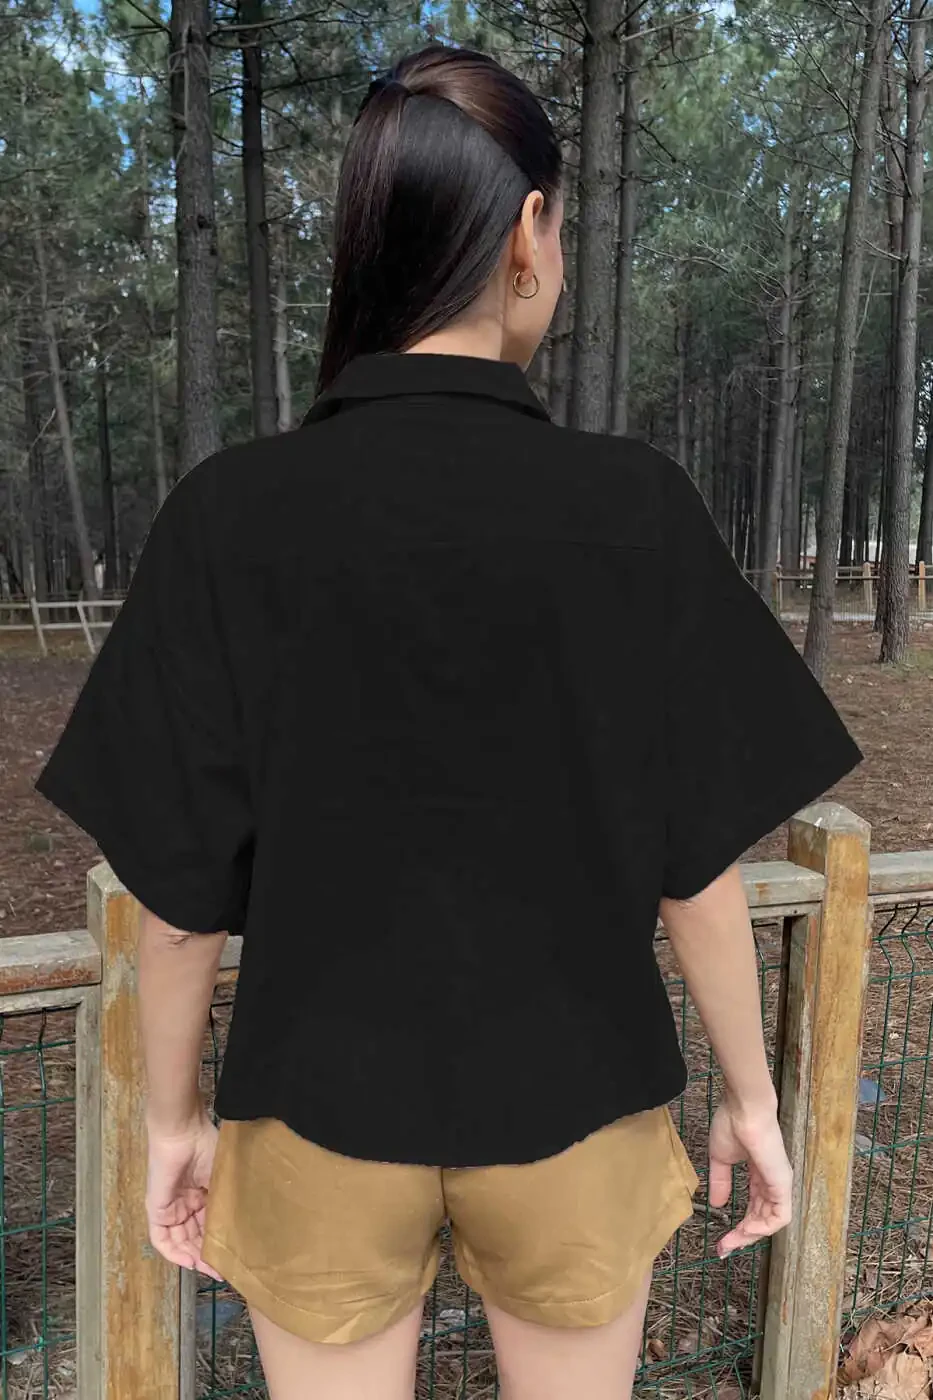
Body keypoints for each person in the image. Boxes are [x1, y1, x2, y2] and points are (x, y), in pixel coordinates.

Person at [35, 42, 862, 1400]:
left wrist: (172, 1119)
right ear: (530, 230)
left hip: (315, 1118)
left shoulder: (229, 517)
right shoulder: (634, 511)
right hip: (580, 1105)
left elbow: (176, 904)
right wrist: (752, 1098)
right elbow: (696, 861)